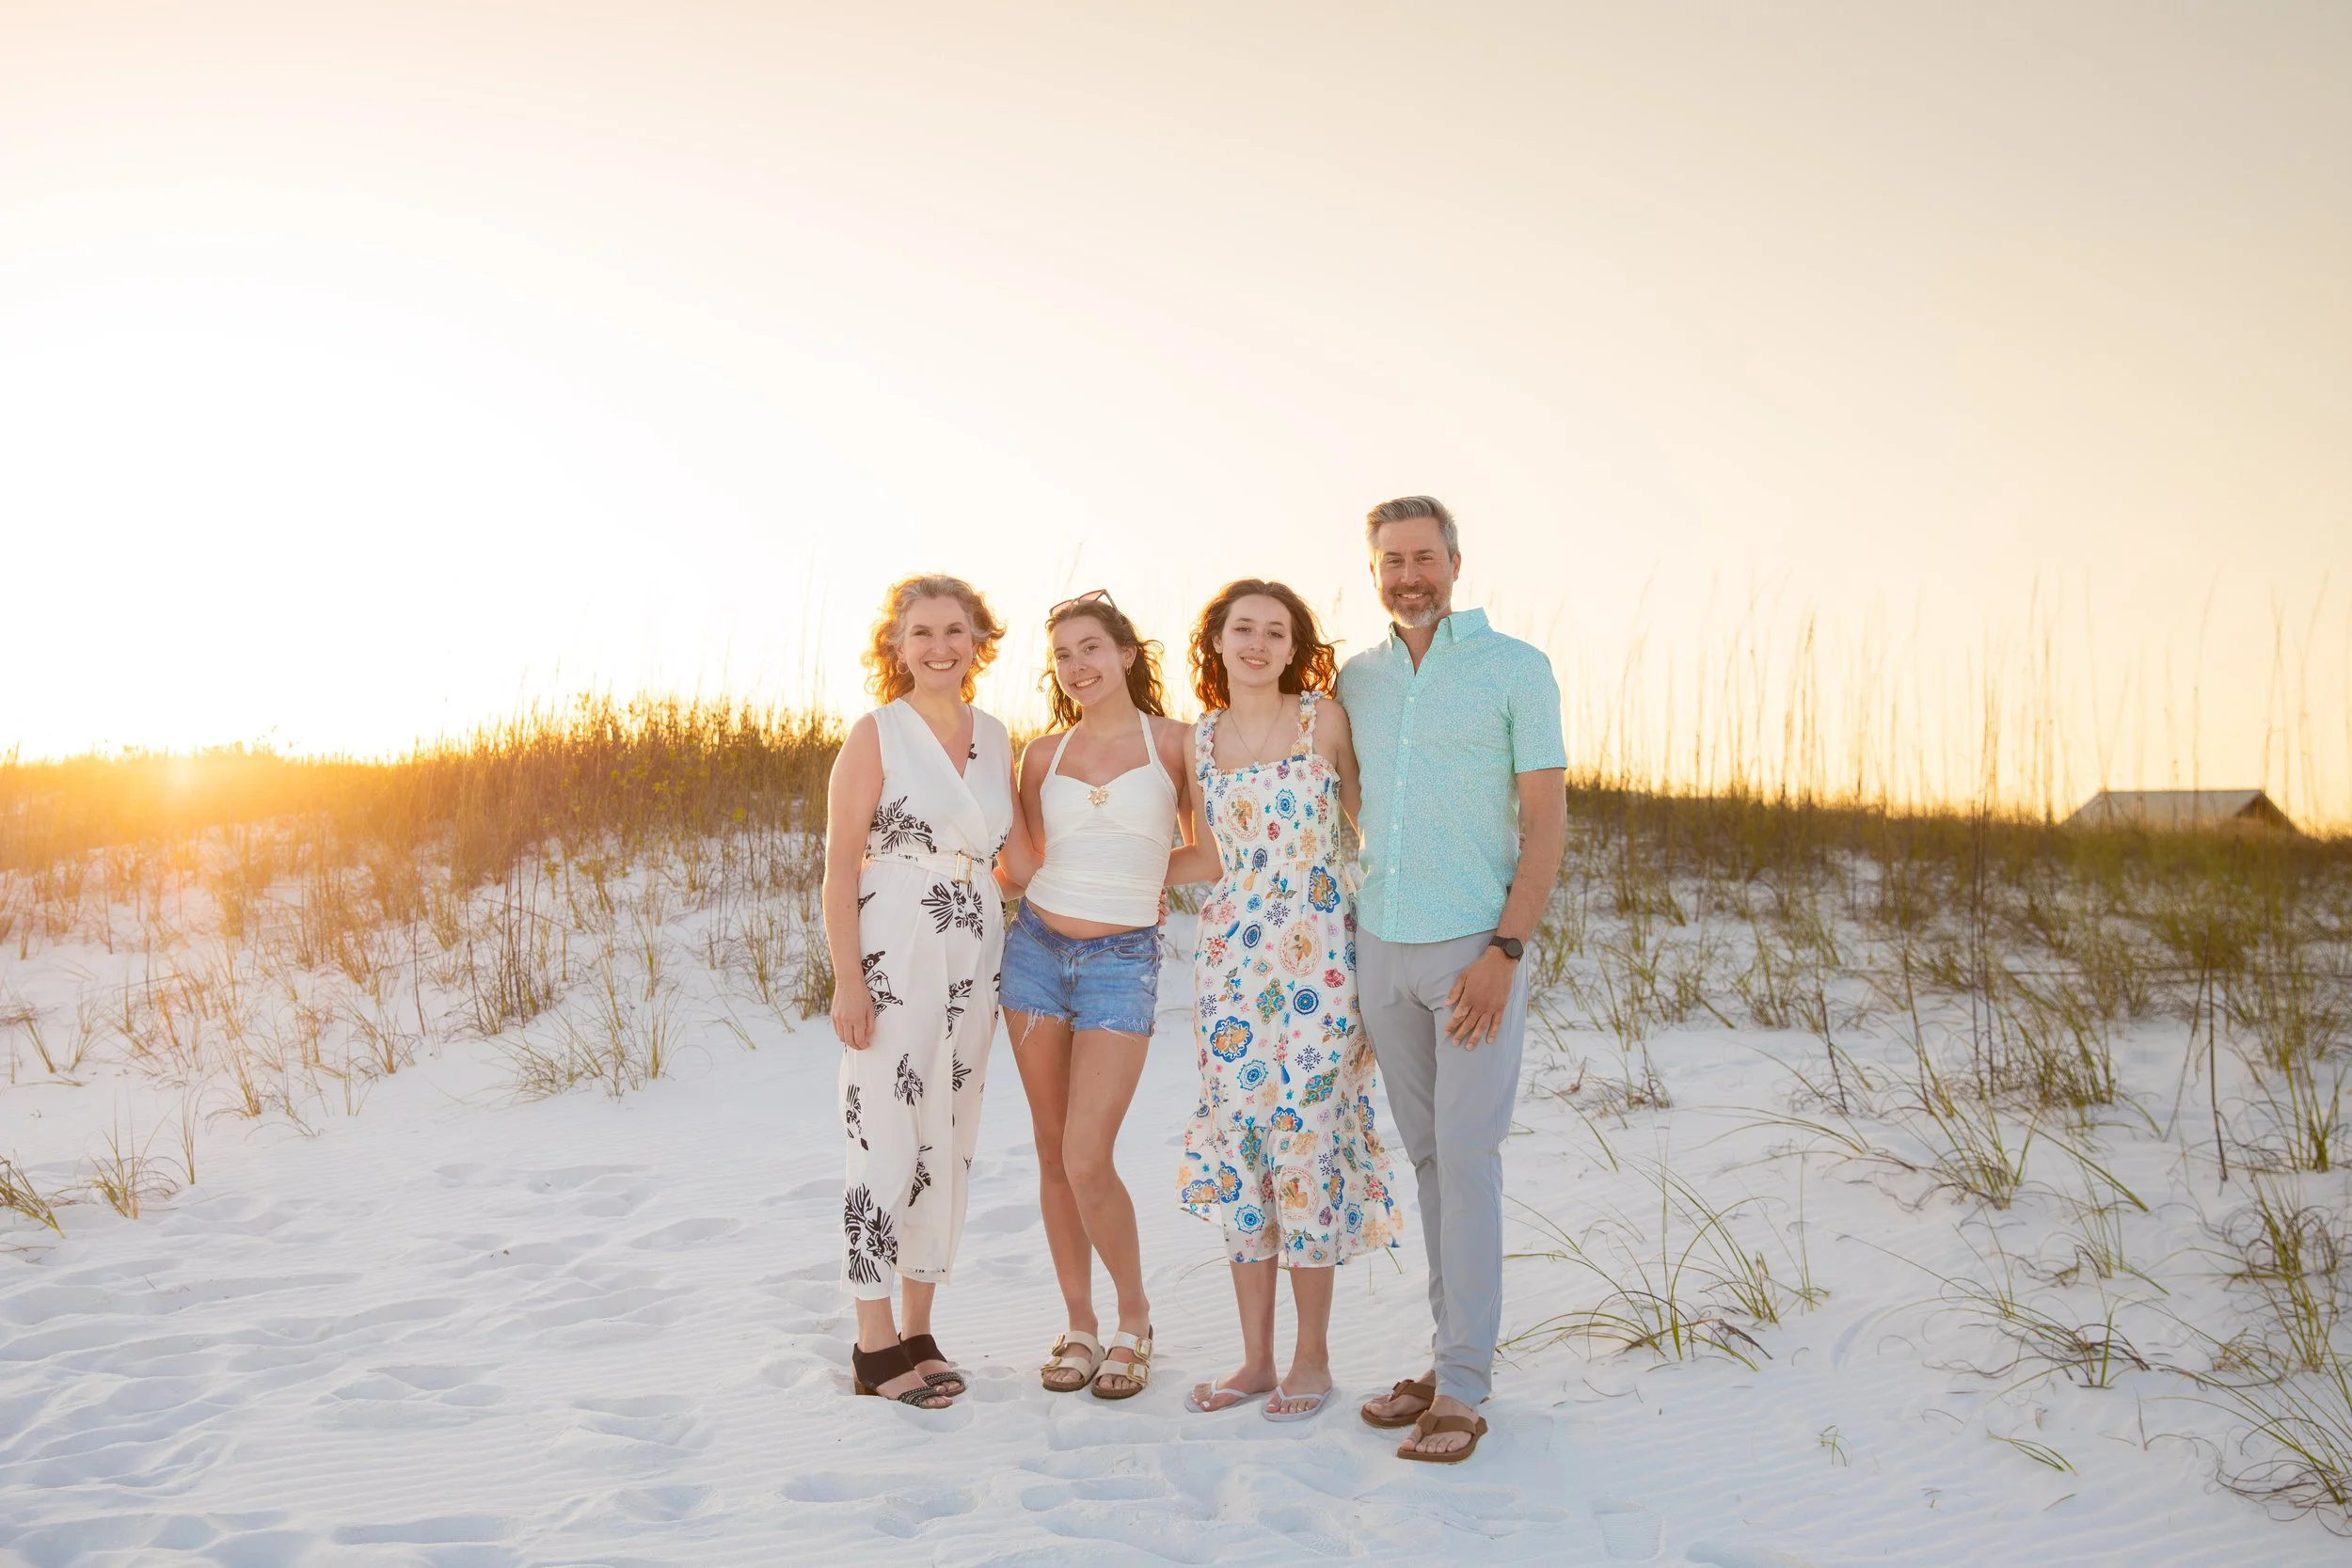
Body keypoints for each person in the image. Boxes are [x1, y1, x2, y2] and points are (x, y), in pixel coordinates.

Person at [1341, 497, 1567, 1464]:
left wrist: (1504, 951)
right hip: (1378, 947)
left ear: (1456, 562)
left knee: (1467, 1158)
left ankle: (1465, 1385)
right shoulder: (1356, 679)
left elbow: (1547, 825)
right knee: (1429, 1159)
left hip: (1474, 951)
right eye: (1391, 561)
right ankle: (1446, 1356)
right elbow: (1343, 809)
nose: (1407, 576)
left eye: (1423, 557)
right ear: (1375, 570)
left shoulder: (1517, 669)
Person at [1167, 578, 1402, 1422]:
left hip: (1321, 961)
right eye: (1243, 629)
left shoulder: (1321, 720)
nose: (1258, 643)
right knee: (1244, 1148)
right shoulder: (1197, 740)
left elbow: (1374, 826)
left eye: (1275, 630)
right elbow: (1206, 857)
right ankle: (1257, 1359)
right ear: (1218, 640)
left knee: (1305, 1142)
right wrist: (1123, 882)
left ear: (1293, 644)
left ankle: (1312, 1357)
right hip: (1231, 962)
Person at [821, 574, 1021, 1409]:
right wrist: (847, 978)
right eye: (923, 632)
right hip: (896, 940)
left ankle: (919, 1326)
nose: (941, 645)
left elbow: (1009, 857)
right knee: (886, 1136)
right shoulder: (876, 735)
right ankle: (872, 1342)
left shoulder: (997, 736)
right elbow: (838, 866)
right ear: (896, 646)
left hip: (975, 943)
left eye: (956, 630)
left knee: (950, 1132)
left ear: (979, 639)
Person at [1002, 590, 1196, 1401]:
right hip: (1035, 953)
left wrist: (1151, 883)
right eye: (1063, 657)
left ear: (1126, 653)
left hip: (1122, 960)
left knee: (1088, 1153)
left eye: (1091, 648)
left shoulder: (1179, 745)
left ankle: (1134, 1316)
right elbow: (1018, 863)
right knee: (1052, 1152)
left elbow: (1209, 854)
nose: (1078, 667)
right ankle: (1079, 1325)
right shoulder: (1041, 756)